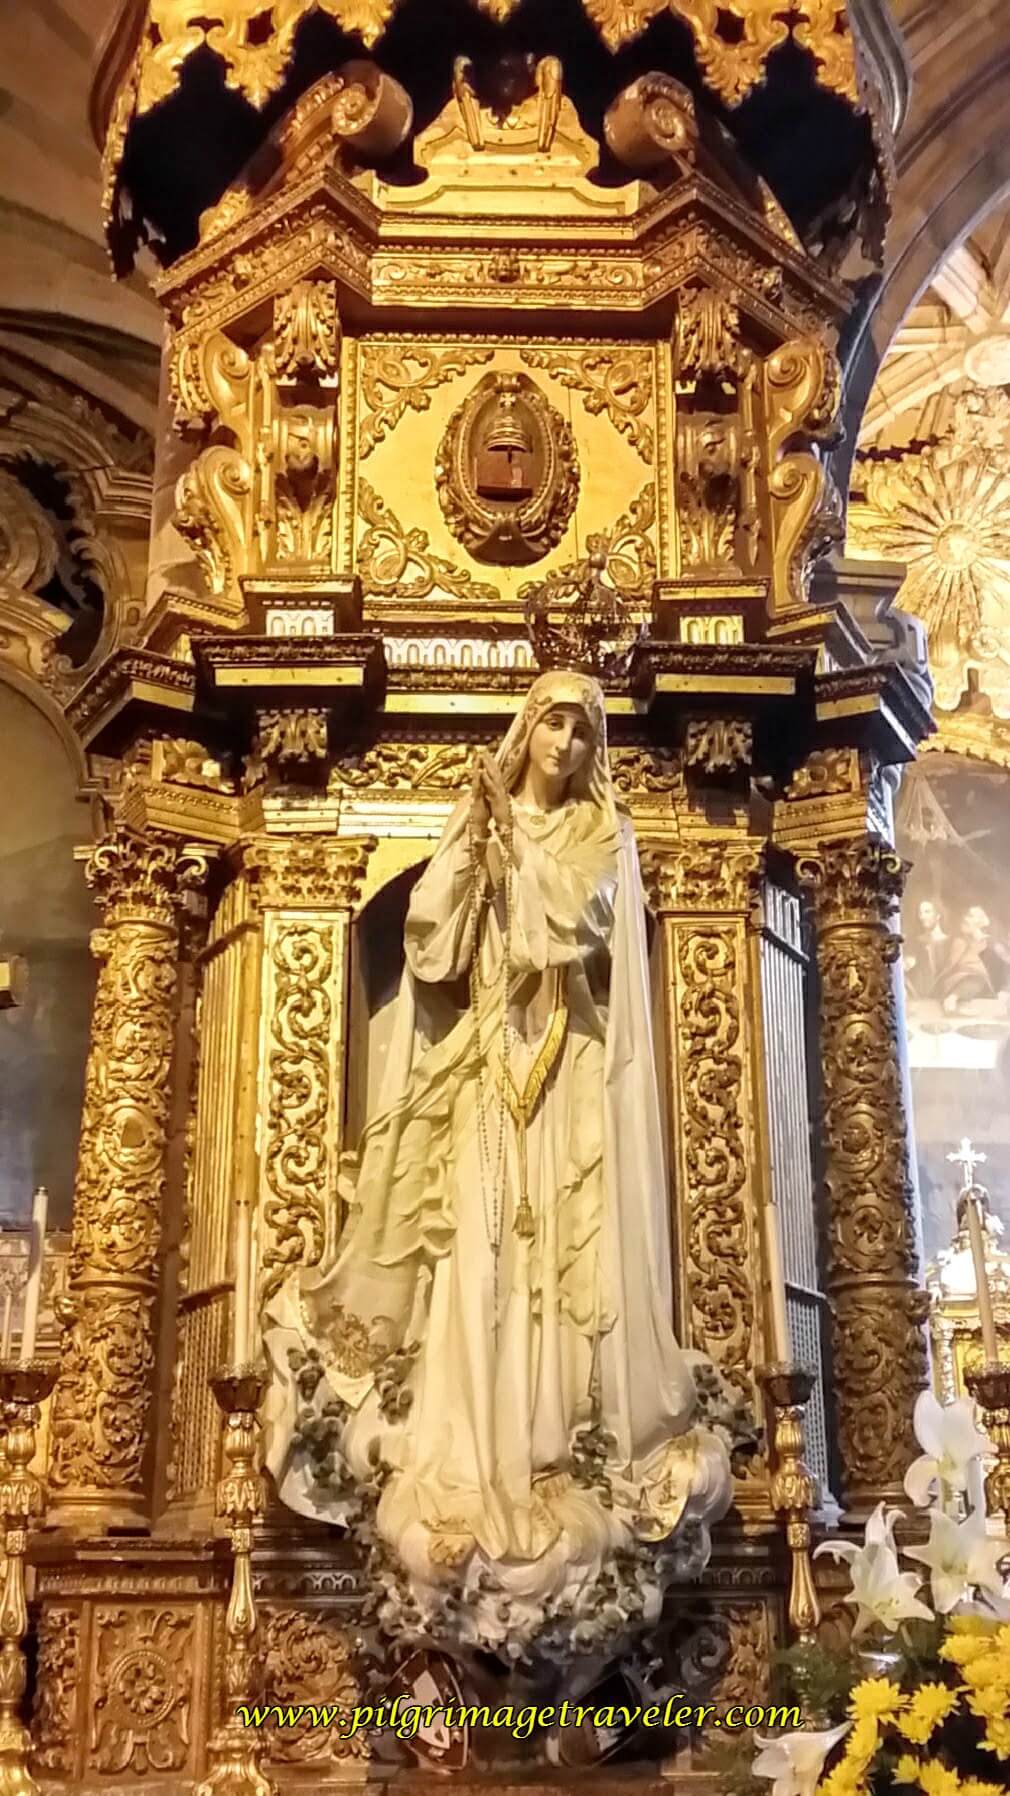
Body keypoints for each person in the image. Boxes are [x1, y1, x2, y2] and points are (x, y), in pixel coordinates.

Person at [263, 670, 731, 1655]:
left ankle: (555, 1465)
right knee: (473, 1269)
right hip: (483, 1085)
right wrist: (469, 858)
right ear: (524, 732)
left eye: (581, 730)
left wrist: (509, 852)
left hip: (568, 1095)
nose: (565, 745)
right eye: (553, 723)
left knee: (566, 1287)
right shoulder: (471, 822)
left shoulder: (602, 834)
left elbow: (581, 922)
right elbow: (430, 953)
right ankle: (467, 1463)